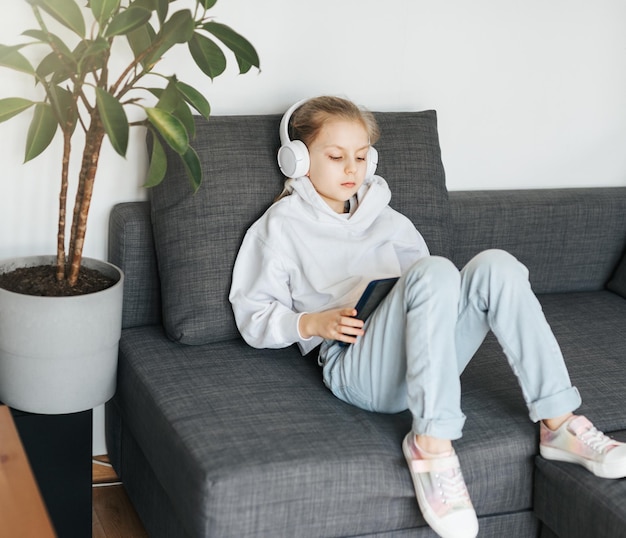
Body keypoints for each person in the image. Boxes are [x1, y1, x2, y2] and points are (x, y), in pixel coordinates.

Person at [229, 96, 626, 538]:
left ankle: (559, 423)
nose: (351, 169)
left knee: (497, 266)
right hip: (354, 364)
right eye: (336, 156)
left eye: (360, 157)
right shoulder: (280, 226)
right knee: (434, 269)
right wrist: (311, 323)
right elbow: (252, 314)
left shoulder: (390, 220)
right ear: (298, 159)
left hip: (424, 358)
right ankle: (432, 445)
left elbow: (437, 290)